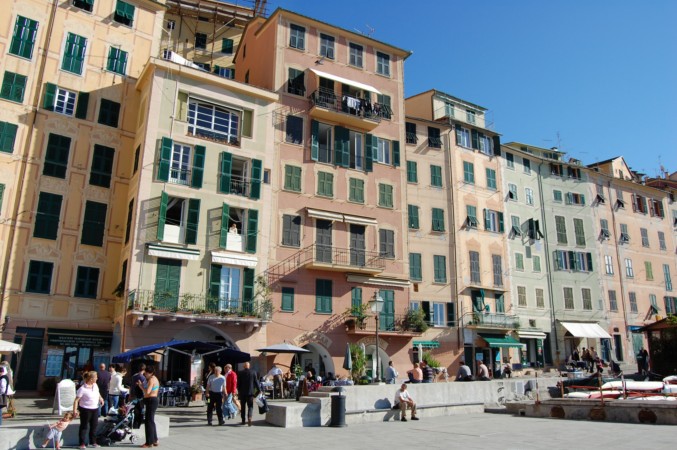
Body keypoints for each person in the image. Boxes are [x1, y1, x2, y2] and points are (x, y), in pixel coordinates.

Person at [73, 370, 104, 449]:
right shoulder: (82, 389)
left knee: (94, 426)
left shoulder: (95, 385)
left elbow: (98, 393)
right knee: (84, 426)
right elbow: (76, 400)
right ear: (91, 379)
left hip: (95, 408)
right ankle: (82, 443)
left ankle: (93, 442)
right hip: (85, 409)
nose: (97, 378)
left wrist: (101, 398)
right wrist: (75, 410)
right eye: (96, 377)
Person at [137, 366, 159, 448]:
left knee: (148, 422)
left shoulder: (151, 380)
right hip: (153, 400)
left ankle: (149, 442)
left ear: (151, 373)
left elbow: (148, 392)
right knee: (151, 421)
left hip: (151, 400)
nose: (145, 375)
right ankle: (155, 439)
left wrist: (141, 386)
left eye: (146, 373)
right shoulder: (155, 378)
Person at [237, 361, 259, 426]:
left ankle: (243, 420)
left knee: (243, 407)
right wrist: (259, 390)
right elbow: (256, 382)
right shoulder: (253, 372)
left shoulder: (240, 373)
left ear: (244, 366)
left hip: (242, 393)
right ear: (249, 366)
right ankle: (249, 417)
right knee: (250, 406)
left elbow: (238, 384)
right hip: (250, 393)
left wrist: (239, 391)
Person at [131, 363, 146, 429]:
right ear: (144, 370)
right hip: (140, 396)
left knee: (135, 410)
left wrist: (131, 394)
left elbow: (132, 386)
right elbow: (144, 387)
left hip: (134, 395)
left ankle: (134, 424)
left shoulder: (134, 376)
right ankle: (138, 424)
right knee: (140, 411)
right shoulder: (143, 378)